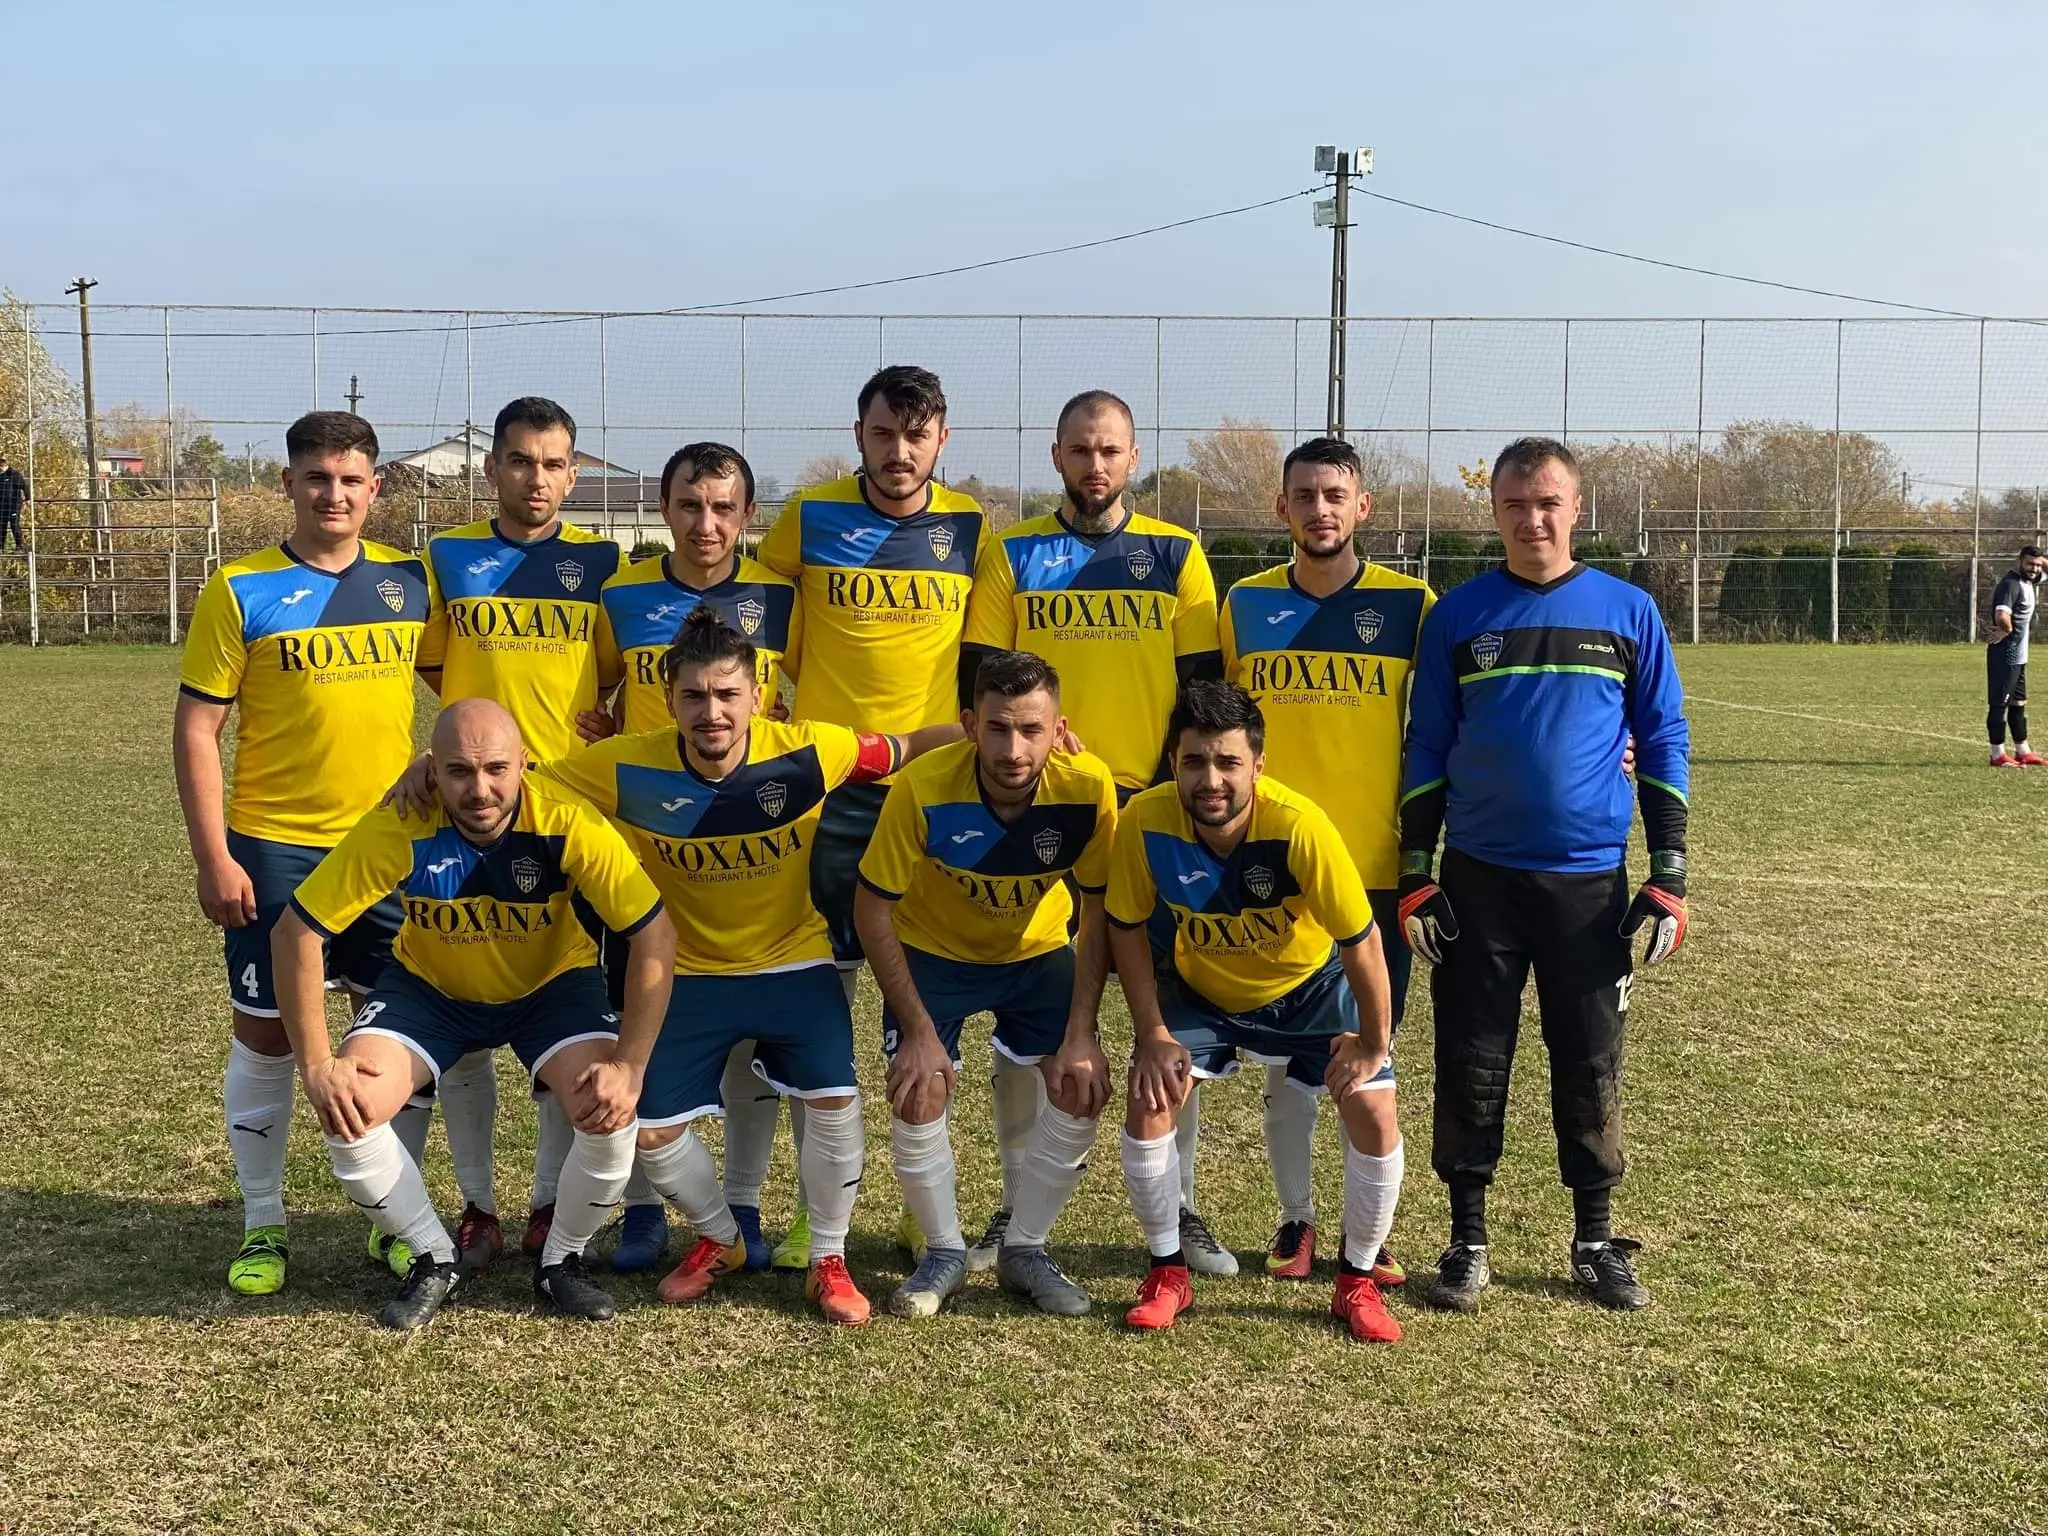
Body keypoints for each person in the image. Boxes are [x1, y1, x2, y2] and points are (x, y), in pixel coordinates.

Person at [533, 609, 961, 1325]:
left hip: (794, 961)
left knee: (835, 1102)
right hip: (689, 972)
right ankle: (721, 1238)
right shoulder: (623, 765)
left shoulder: (811, 750)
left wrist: (997, 739)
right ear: (669, 699)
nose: (713, 712)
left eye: (728, 694)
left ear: (758, 695)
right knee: (649, 1130)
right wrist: (429, 770)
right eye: (695, 696)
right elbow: (521, 786)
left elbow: (909, 745)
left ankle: (828, 1259)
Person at [1398, 436, 1692, 1315]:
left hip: (1589, 886)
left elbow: (1663, 736)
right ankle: (1467, 1241)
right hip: (1478, 883)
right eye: (1516, 505)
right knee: (1472, 1060)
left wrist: (1669, 870)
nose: (1533, 520)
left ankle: (1596, 1241)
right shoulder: (1457, 615)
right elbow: (1427, 745)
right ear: (1494, 512)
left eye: (1548, 503)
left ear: (1577, 509)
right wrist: (1417, 871)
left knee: (1591, 1061)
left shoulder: (1630, 611)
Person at [273, 700, 674, 1330]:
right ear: (433, 769)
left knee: (609, 1108)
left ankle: (561, 1261)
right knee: (349, 1108)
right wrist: (318, 1065)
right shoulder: (403, 821)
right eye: (459, 771)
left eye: (495, 770)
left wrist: (631, 1065)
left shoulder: (568, 819)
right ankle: (434, 1258)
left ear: (524, 764)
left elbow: (654, 934)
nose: (480, 790)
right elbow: (295, 931)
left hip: (550, 988)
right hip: (430, 991)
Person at [958, 389, 1226, 1275]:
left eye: (1110, 449)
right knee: (1028, 1012)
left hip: (1148, 810)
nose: (1095, 464)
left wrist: (1167, 786)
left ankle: (1179, 1209)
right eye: (1080, 449)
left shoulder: (1176, 554)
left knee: (1169, 1021)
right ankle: (1013, 1207)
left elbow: (1200, 691)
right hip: (1040, 808)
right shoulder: (1013, 553)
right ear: (1056, 457)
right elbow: (981, 683)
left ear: (1133, 457)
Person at [172, 410, 433, 1297]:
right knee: (268, 1034)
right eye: (317, 477)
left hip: (388, 851)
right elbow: (198, 729)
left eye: (352, 479)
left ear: (376, 488)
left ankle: (395, 1222)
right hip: (274, 849)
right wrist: (214, 856)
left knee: (389, 1035)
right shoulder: (241, 588)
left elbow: (466, 686)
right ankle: (263, 1223)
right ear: (288, 483)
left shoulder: (408, 581)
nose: (334, 494)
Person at [1106, 681, 1406, 1342]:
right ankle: (1167, 1273)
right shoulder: (1144, 821)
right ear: (1173, 761)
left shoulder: (1299, 826)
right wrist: (1151, 1033)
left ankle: (1355, 1282)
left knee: (1375, 1110)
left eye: (1228, 763)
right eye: (1194, 762)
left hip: (1308, 987)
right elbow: (1123, 926)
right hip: (1203, 989)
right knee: (1151, 1098)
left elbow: (1362, 940)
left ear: (1258, 766)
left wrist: (1373, 1042)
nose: (1210, 780)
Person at [414, 395, 624, 1275]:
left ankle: (544, 1204)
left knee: (559, 1006)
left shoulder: (604, 564)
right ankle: (477, 1206)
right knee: (461, 1012)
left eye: (553, 464)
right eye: (520, 460)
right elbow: (431, 664)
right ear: (491, 467)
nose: (536, 478)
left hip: (569, 812)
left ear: (573, 475)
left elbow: (615, 680)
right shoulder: (448, 557)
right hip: (466, 807)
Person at [1220, 435, 1432, 1286]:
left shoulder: (1412, 604)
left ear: (1362, 507)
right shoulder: (1242, 604)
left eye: (1335, 495)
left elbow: (1458, 718)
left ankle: (1364, 1235)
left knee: (1366, 1051)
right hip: (1270, 864)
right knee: (1289, 1061)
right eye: (1304, 496)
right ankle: (1296, 1220)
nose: (1320, 510)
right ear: (1282, 507)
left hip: (1372, 866)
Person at [854, 650, 1118, 1318]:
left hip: (1036, 954)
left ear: (1059, 730)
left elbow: (1101, 908)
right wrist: (917, 1031)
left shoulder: (1089, 788)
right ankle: (942, 1252)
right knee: (919, 1087)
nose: (1013, 749)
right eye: (997, 728)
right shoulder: (922, 787)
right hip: (933, 953)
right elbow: (871, 908)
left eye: (1032, 730)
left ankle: (1025, 1248)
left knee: (1080, 1084)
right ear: (970, 724)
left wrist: (1082, 1031)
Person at [597, 440, 806, 1270]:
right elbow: (594, 701)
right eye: (689, 505)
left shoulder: (781, 597)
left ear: (748, 515)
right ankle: (642, 1210)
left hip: (753, 847)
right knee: (635, 1027)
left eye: (723, 508)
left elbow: (801, 706)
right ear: (664, 509)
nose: (706, 523)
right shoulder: (620, 594)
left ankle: (744, 1204)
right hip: (647, 850)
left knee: (750, 1040)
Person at [1987, 545, 2043, 768]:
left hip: (2019, 656)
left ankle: (2023, 751)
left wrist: (2040, 561)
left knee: (2018, 703)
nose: (2034, 568)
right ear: (2020, 561)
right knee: (1999, 705)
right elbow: (2002, 614)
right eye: (2029, 564)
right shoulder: (2010, 584)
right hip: (2005, 655)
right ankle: (1997, 755)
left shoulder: (2030, 581)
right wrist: (2007, 629)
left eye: (2037, 565)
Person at [0, 453, 29, 551]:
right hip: (2, 506)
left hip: (14, 505)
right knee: (1, 526)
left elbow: (25, 486)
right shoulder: (1, 476)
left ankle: (19, 546)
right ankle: (1, 547)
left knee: (14, 524)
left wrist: (28, 498)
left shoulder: (14, 475)